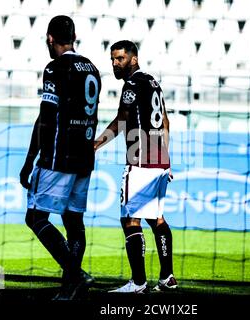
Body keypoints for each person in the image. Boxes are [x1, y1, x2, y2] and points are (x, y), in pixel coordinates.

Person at [19, 15, 101, 300]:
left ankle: (75, 274)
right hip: (85, 157)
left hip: (59, 156)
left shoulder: (55, 68)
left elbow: (46, 117)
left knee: (35, 216)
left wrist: (30, 160)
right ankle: (71, 286)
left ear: (49, 38)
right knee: (73, 221)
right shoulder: (92, 68)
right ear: (74, 36)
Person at [94, 40, 177, 293]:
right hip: (159, 159)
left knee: (130, 219)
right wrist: (166, 157)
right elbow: (165, 121)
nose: (115, 64)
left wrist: (96, 144)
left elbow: (121, 120)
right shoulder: (153, 82)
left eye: (119, 59)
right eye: (112, 59)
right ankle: (167, 277)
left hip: (139, 158)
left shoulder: (131, 84)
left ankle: (138, 283)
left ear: (134, 59)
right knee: (157, 218)